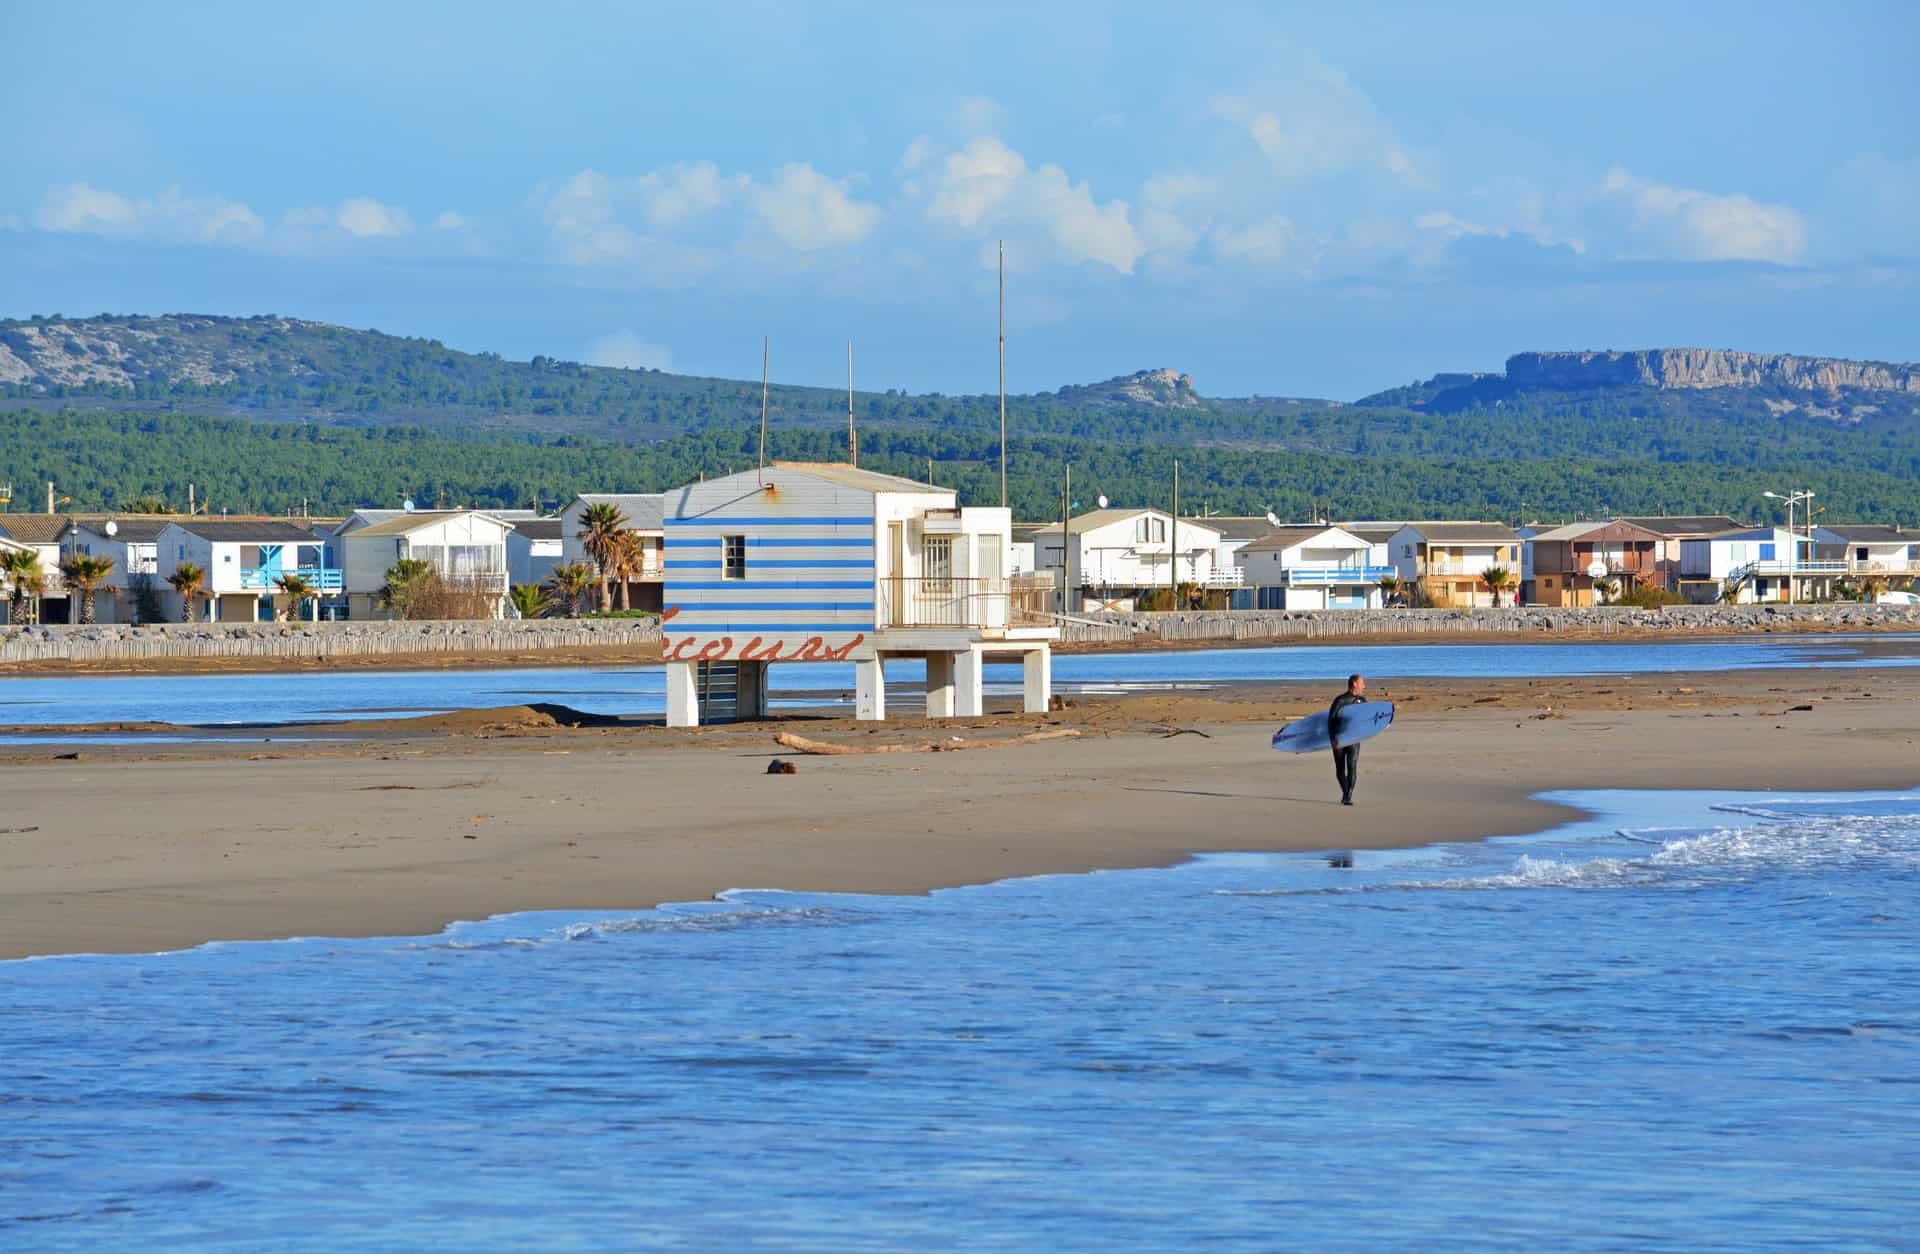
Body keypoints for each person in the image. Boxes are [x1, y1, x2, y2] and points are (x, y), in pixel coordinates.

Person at [1328, 673, 1366, 806]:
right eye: (1362, 683)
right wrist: (1332, 738)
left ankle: (1347, 796)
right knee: (1340, 768)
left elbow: (1365, 720)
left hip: (1354, 738)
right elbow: (1331, 720)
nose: (1364, 686)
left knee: (1352, 767)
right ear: (1354, 684)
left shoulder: (1363, 700)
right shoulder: (1340, 700)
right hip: (1339, 738)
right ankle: (1345, 793)